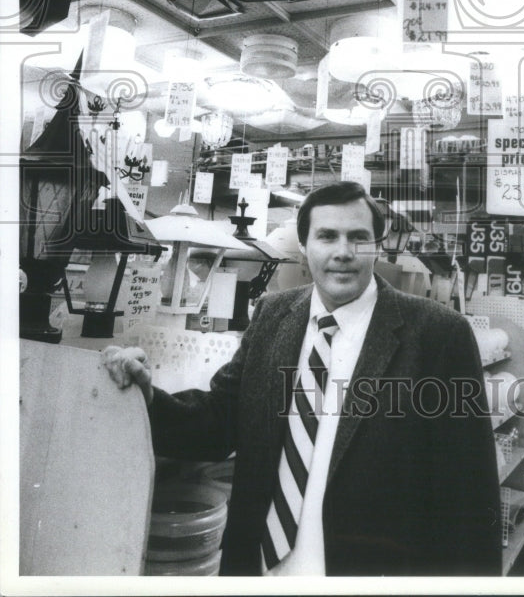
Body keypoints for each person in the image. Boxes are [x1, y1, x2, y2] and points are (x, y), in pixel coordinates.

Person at [104, 181, 501, 576]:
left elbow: (470, 492)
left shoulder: (438, 335)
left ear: (377, 247)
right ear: (305, 244)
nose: (343, 252)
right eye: (327, 236)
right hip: (259, 570)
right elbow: (218, 420)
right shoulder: (273, 315)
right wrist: (146, 397)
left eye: (358, 238)